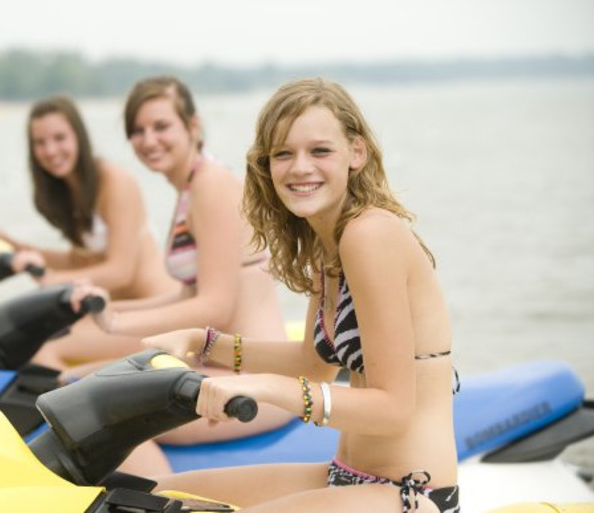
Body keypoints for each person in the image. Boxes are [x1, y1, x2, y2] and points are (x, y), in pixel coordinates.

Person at [140, 78, 460, 512]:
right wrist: (202, 343)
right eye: (283, 153)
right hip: (346, 478)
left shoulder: (370, 234)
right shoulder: (327, 243)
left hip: (412, 496)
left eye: (320, 151)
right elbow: (314, 363)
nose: (299, 167)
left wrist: (267, 389)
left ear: (356, 153)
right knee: (153, 498)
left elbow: (393, 408)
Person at [47, 75, 293, 445]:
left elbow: (215, 307)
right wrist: (111, 313)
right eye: (137, 130)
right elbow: (188, 293)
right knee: (73, 383)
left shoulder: (211, 185)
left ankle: (157, 493)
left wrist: (116, 323)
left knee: (101, 418)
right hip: (216, 368)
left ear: (193, 126)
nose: (148, 140)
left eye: (161, 126)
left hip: (254, 382)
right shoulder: (191, 188)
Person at [0, 95, 177, 301]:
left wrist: (53, 280)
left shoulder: (114, 181)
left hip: (155, 304)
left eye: (60, 138)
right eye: (40, 142)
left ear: (79, 136)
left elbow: (121, 272)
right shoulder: (67, 191)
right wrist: (15, 247)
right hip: (113, 309)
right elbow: (77, 261)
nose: (50, 151)